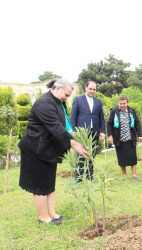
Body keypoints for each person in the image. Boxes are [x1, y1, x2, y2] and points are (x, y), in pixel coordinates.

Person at [19, 79, 89, 225]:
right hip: (36, 150)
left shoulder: (57, 102)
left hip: (48, 150)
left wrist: (72, 135)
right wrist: (73, 143)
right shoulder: (45, 104)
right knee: (39, 186)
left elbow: (63, 124)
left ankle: (52, 214)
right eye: (67, 94)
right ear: (57, 88)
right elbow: (55, 127)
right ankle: (43, 218)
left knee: (49, 184)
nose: (67, 98)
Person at [70, 81, 105, 182]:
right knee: (81, 155)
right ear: (86, 88)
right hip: (81, 133)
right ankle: (79, 178)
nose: (92, 91)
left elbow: (101, 118)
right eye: (90, 89)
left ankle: (90, 177)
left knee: (91, 155)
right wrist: (73, 131)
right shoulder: (78, 100)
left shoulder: (98, 102)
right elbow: (73, 117)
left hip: (94, 132)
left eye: (94, 89)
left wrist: (102, 131)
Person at [107, 96, 142, 179]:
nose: (122, 105)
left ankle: (134, 175)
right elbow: (109, 123)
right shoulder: (114, 111)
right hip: (119, 138)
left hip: (130, 138)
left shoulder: (131, 110)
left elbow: (137, 123)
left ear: (127, 103)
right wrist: (110, 136)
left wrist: (140, 135)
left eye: (124, 103)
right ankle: (124, 174)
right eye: (120, 103)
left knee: (133, 157)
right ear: (118, 103)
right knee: (121, 157)